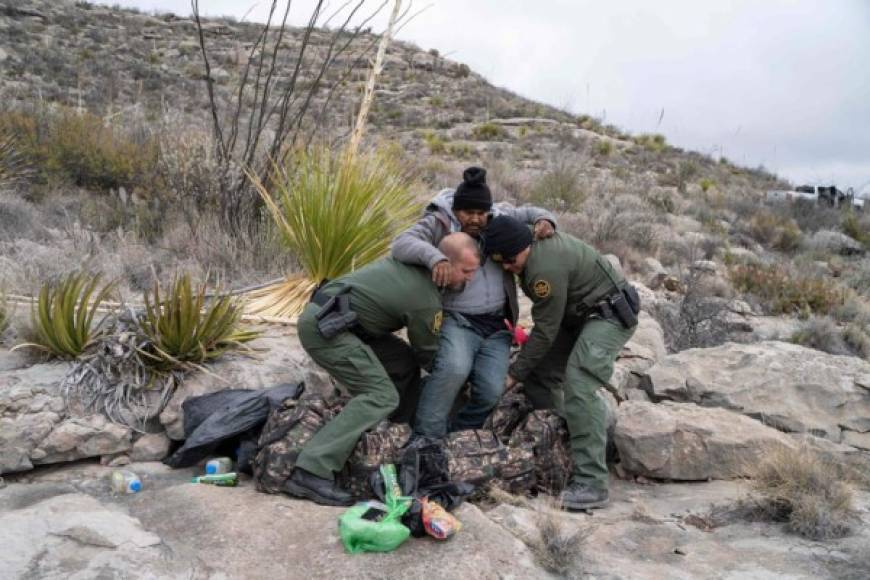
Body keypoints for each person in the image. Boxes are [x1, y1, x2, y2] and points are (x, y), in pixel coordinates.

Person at [286, 233, 481, 506]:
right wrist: (457, 380)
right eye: (466, 271)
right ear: (445, 264)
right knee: (381, 394)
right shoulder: (425, 299)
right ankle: (311, 469)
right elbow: (427, 351)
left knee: (403, 361)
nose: (470, 278)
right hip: (326, 330)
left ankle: (394, 434)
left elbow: (416, 356)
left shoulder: (415, 268)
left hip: (345, 323)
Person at [482, 215, 639, 510]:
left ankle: (592, 482)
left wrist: (512, 375)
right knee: (540, 376)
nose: (507, 267)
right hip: (578, 316)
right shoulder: (530, 246)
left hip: (607, 317)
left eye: (509, 260)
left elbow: (544, 332)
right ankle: (562, 446)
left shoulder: (543, 270)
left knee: (579, 382)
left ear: (522, 246)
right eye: (500, 262)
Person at [391, 166, 557, 439]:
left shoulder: (499, 216)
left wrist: (545, 220)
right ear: (456, 209)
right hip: (457, 319)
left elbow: (532, 212)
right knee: (453, 370)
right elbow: (401, 244)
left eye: (481, 213)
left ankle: (457, 439)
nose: (476, 220)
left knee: (492, 390)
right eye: (468, 213)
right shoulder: (439, 222)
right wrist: (436, 258)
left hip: (497, 327)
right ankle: (426, 440)